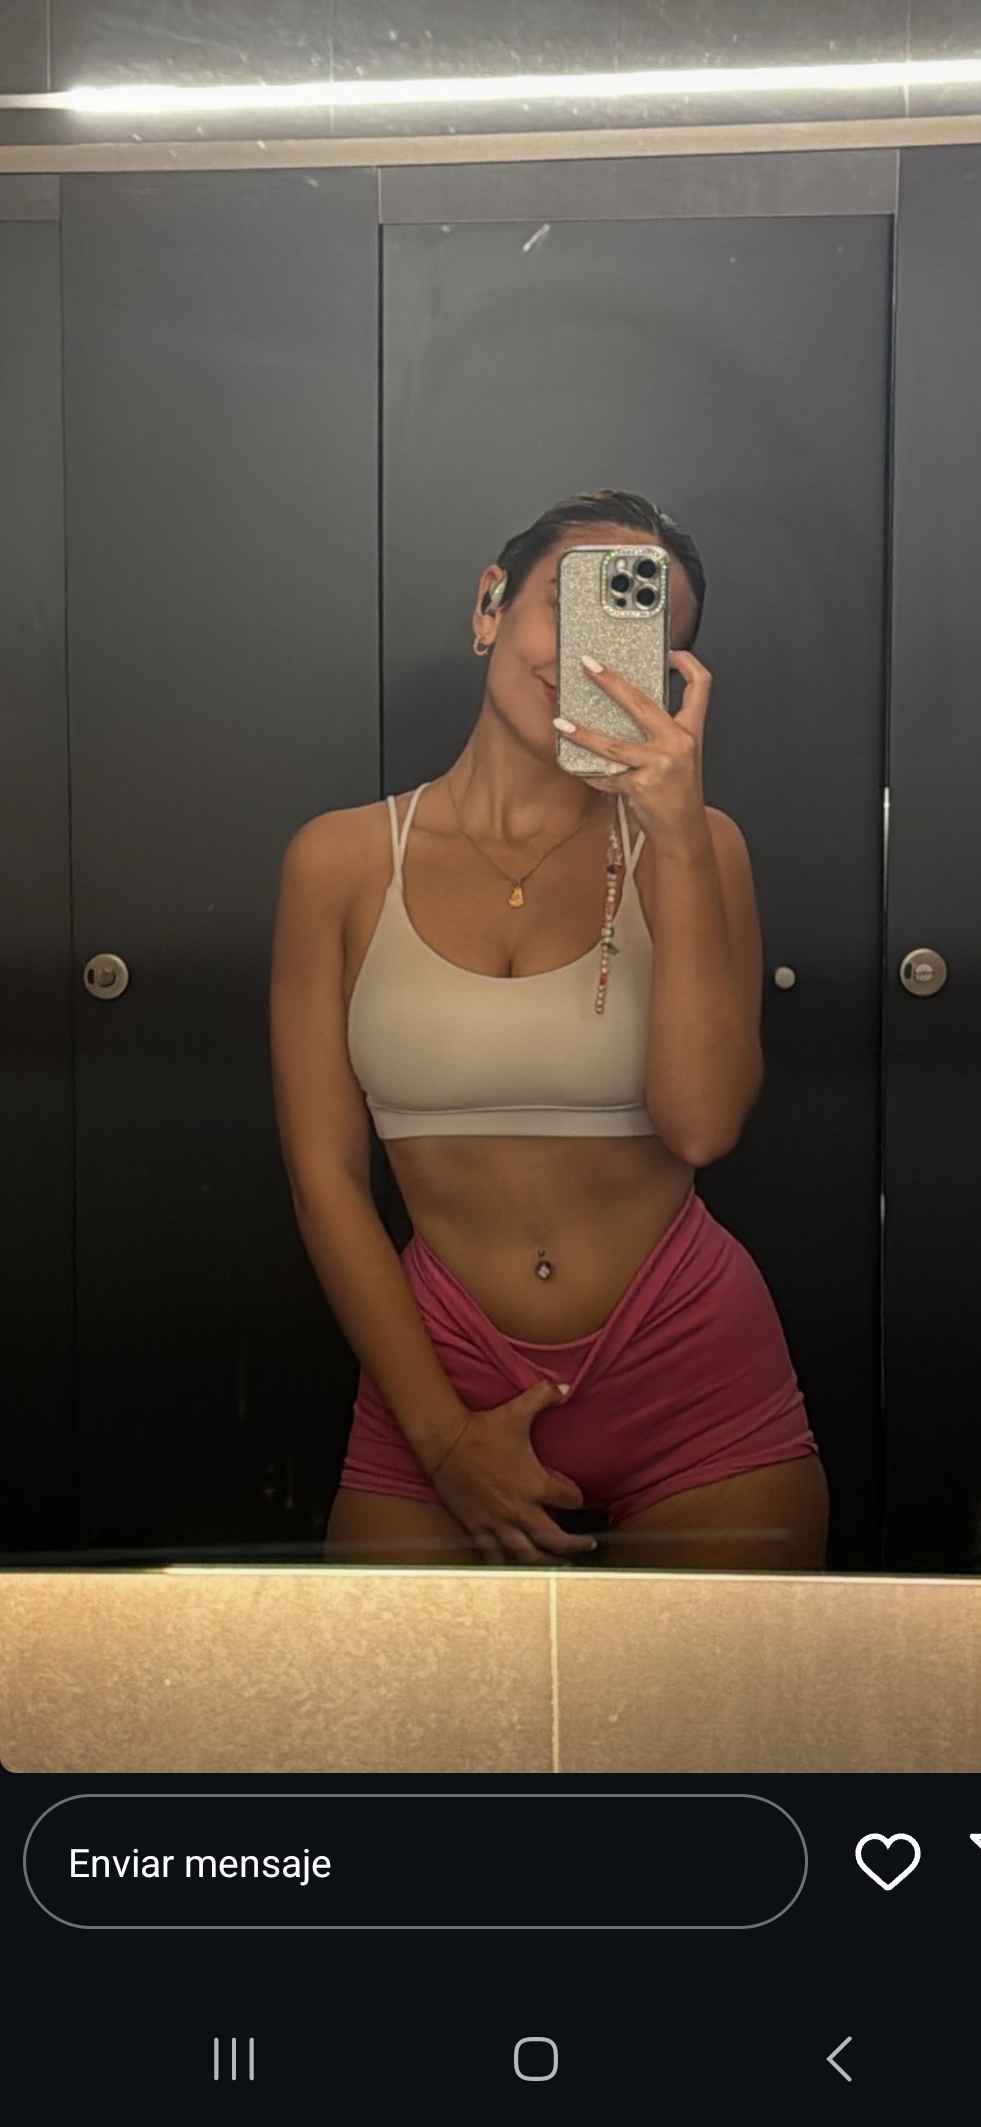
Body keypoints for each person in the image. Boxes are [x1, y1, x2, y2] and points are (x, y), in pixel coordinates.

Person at [270, 490, 828, 1570]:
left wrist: (675, 836)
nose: (591, 660)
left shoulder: (704, 846)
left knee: (718, 1689)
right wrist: (443, 1443)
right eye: (570, 612)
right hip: (435, 1370)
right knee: (386, 1683)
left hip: (693, 1372)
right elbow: (324, 1182)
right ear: (491, 606)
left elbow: (703, 1126)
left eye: (636, 637)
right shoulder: (337, 863)